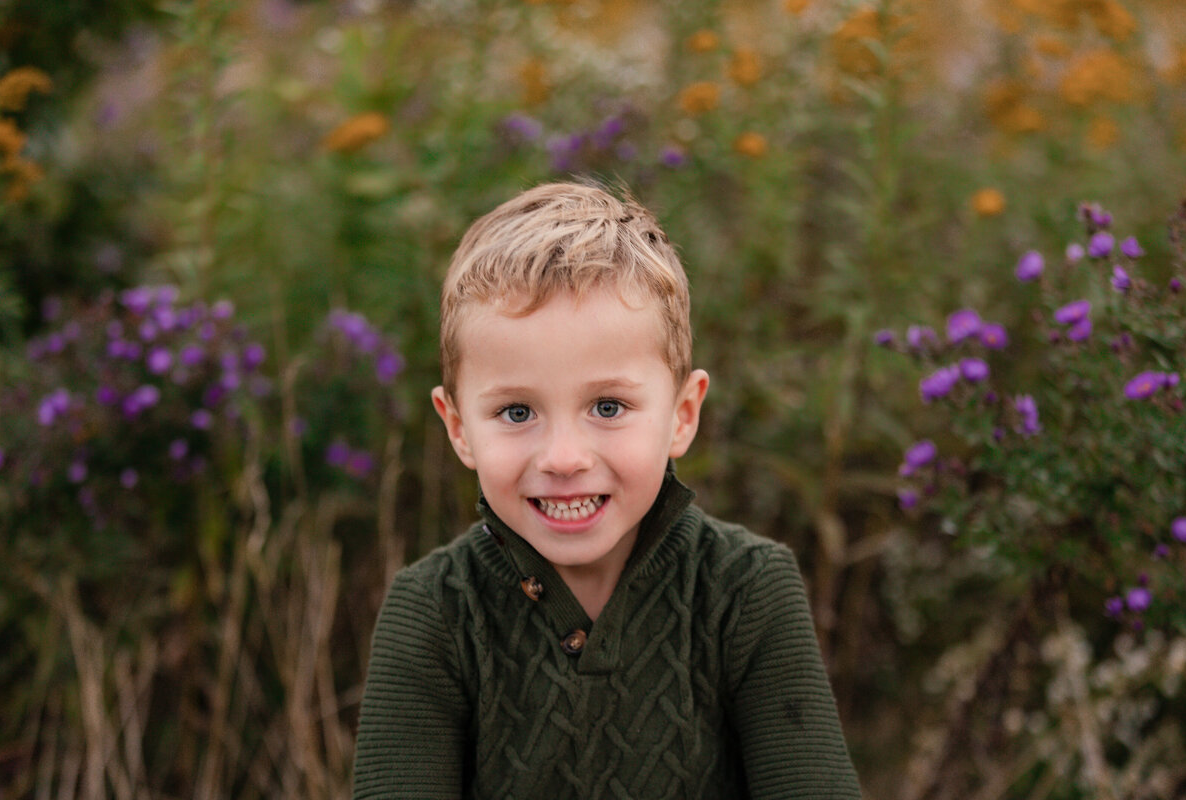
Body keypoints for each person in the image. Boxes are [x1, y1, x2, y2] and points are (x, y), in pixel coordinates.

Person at [352, 181, 862, 799]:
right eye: (517, 413)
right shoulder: (433, 611)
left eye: (608, 406)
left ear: (682, 413)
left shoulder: (746, 591)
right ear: (458, 428)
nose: (564, 459)